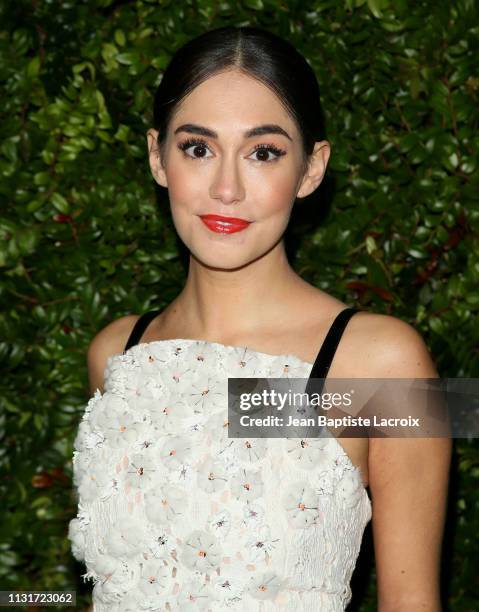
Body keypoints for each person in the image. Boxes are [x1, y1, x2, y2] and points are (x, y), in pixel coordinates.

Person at [68, 25, 451, 611]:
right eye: (197, 148)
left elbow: (412, 602)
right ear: (157, 156)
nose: (226, 188)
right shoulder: (116, 354)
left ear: (311, 169)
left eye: (263, 152)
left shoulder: (380, 362)